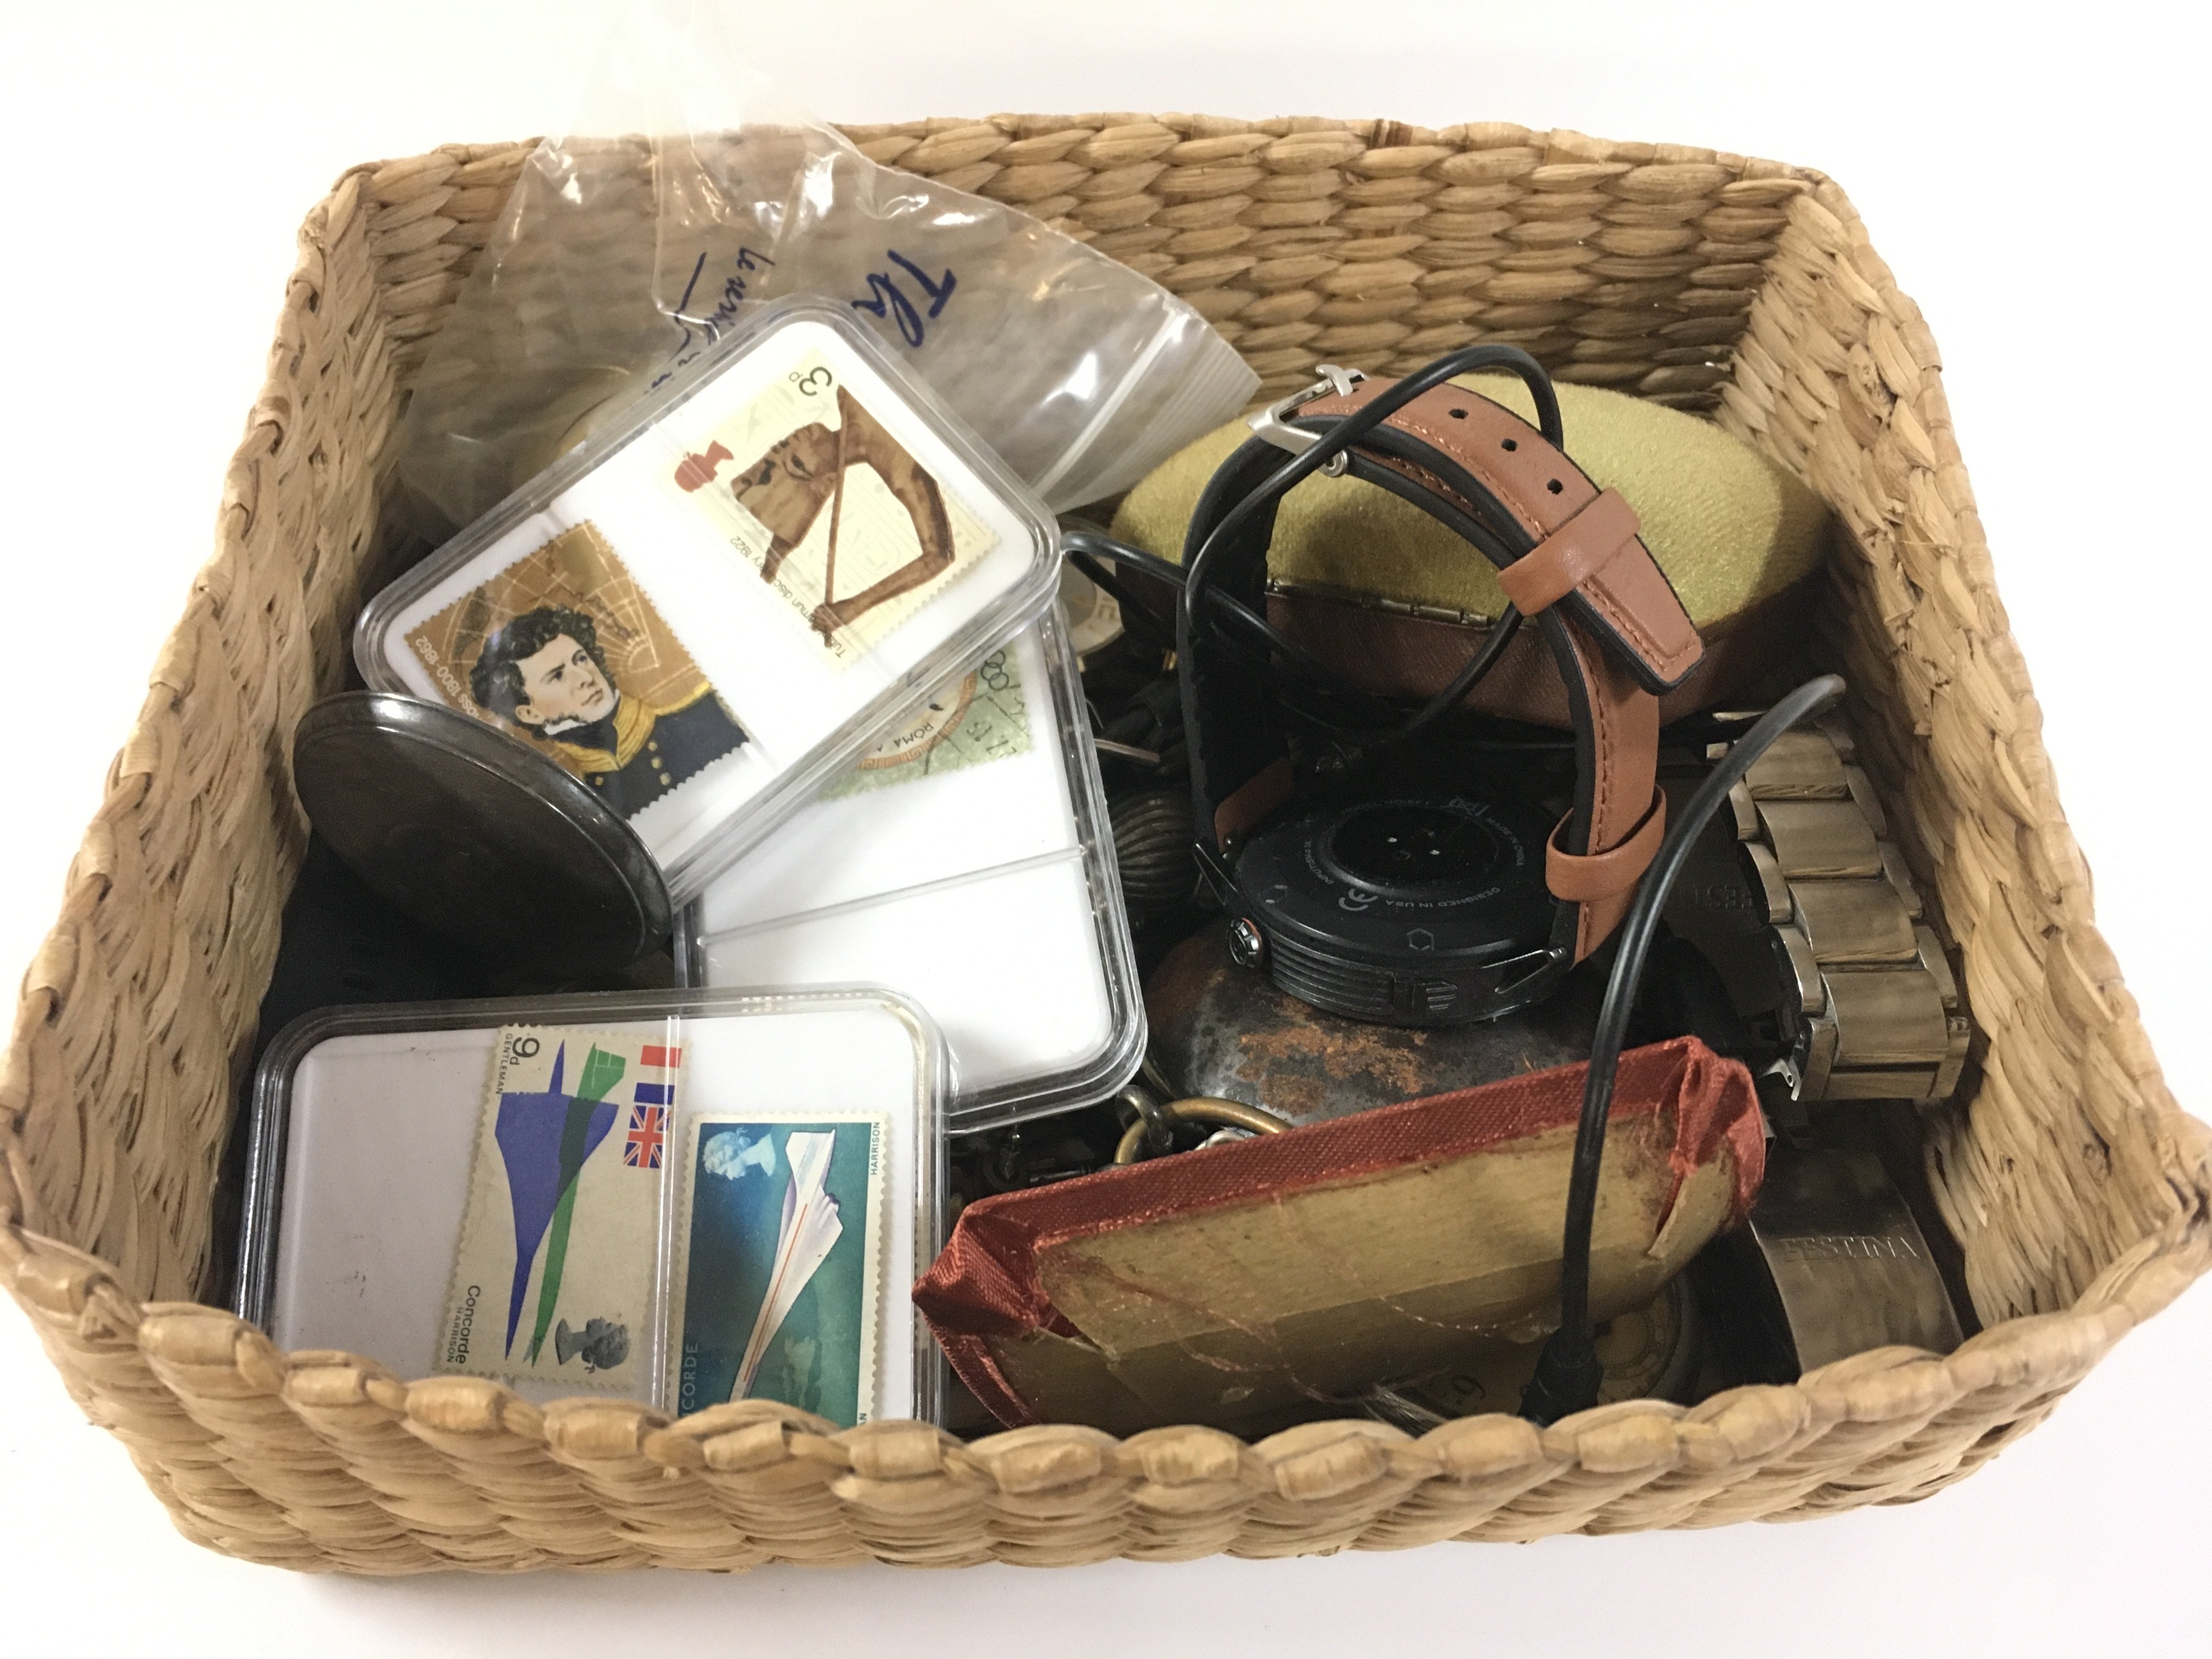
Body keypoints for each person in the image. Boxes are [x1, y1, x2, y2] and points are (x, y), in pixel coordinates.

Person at [470, 606, 746, 817]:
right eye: (557, 676)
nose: (585, 677)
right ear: (530, 714)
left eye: (581, 659)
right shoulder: (584, 805)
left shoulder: (710, 713)